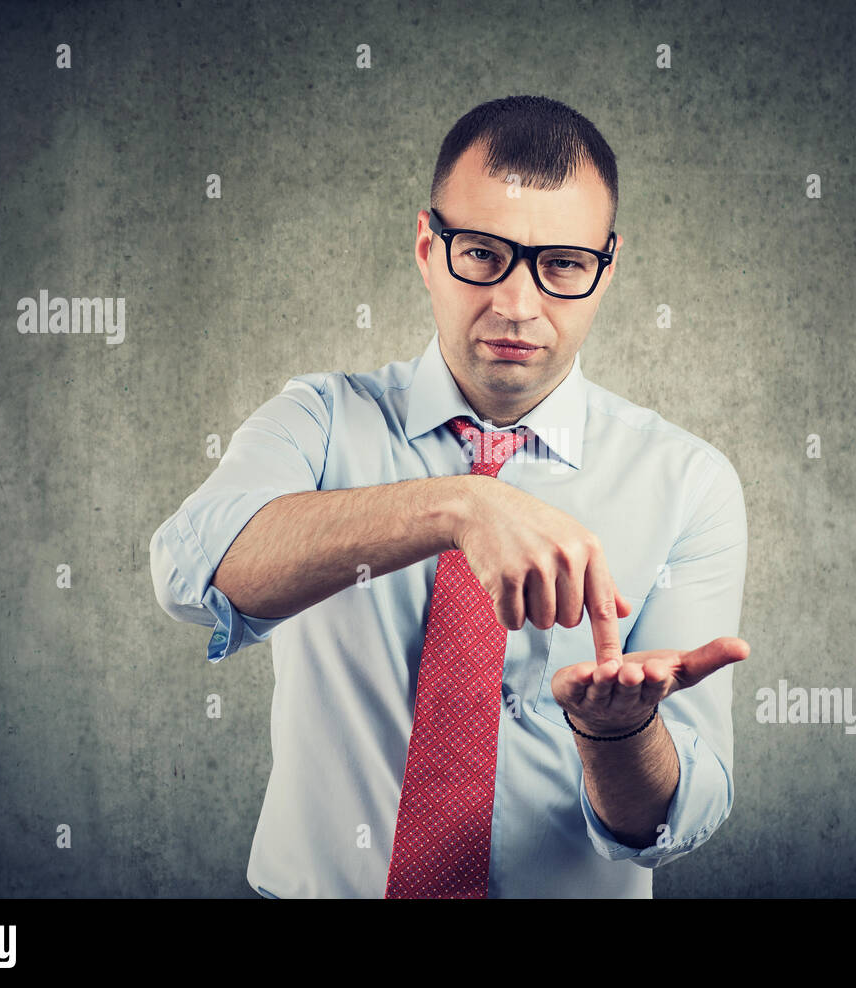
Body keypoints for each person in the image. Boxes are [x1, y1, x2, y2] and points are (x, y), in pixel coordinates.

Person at [149, 94, 749, 898]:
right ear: (429, 247)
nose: (517, 303)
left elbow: (680, 820)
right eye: (483, 253)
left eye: (562, 264)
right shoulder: (321, 419)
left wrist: (620, 732)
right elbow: (191, 573)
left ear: (606, 269)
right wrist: (459, 506)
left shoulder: (688, 482)